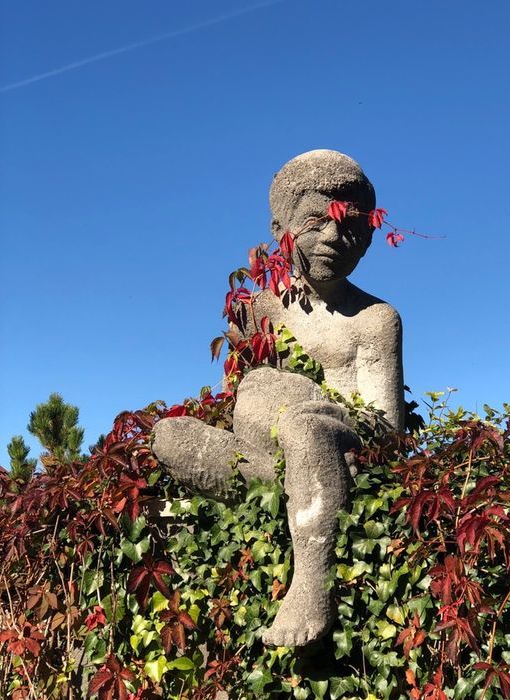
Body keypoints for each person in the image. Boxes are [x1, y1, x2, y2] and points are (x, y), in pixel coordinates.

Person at [152, 150, 404, 648]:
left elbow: (387, 431)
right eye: (316, 222)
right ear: (280, 228)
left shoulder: (374, 320)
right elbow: (235, 411)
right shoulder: (256, 311)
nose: (334, 237)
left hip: (336, 452)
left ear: (370, 238)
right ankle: (291, 489)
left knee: (304, 423)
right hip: (268, 463)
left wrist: (308, 406)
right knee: (170, 433)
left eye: (352, 226)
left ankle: (310, 585)